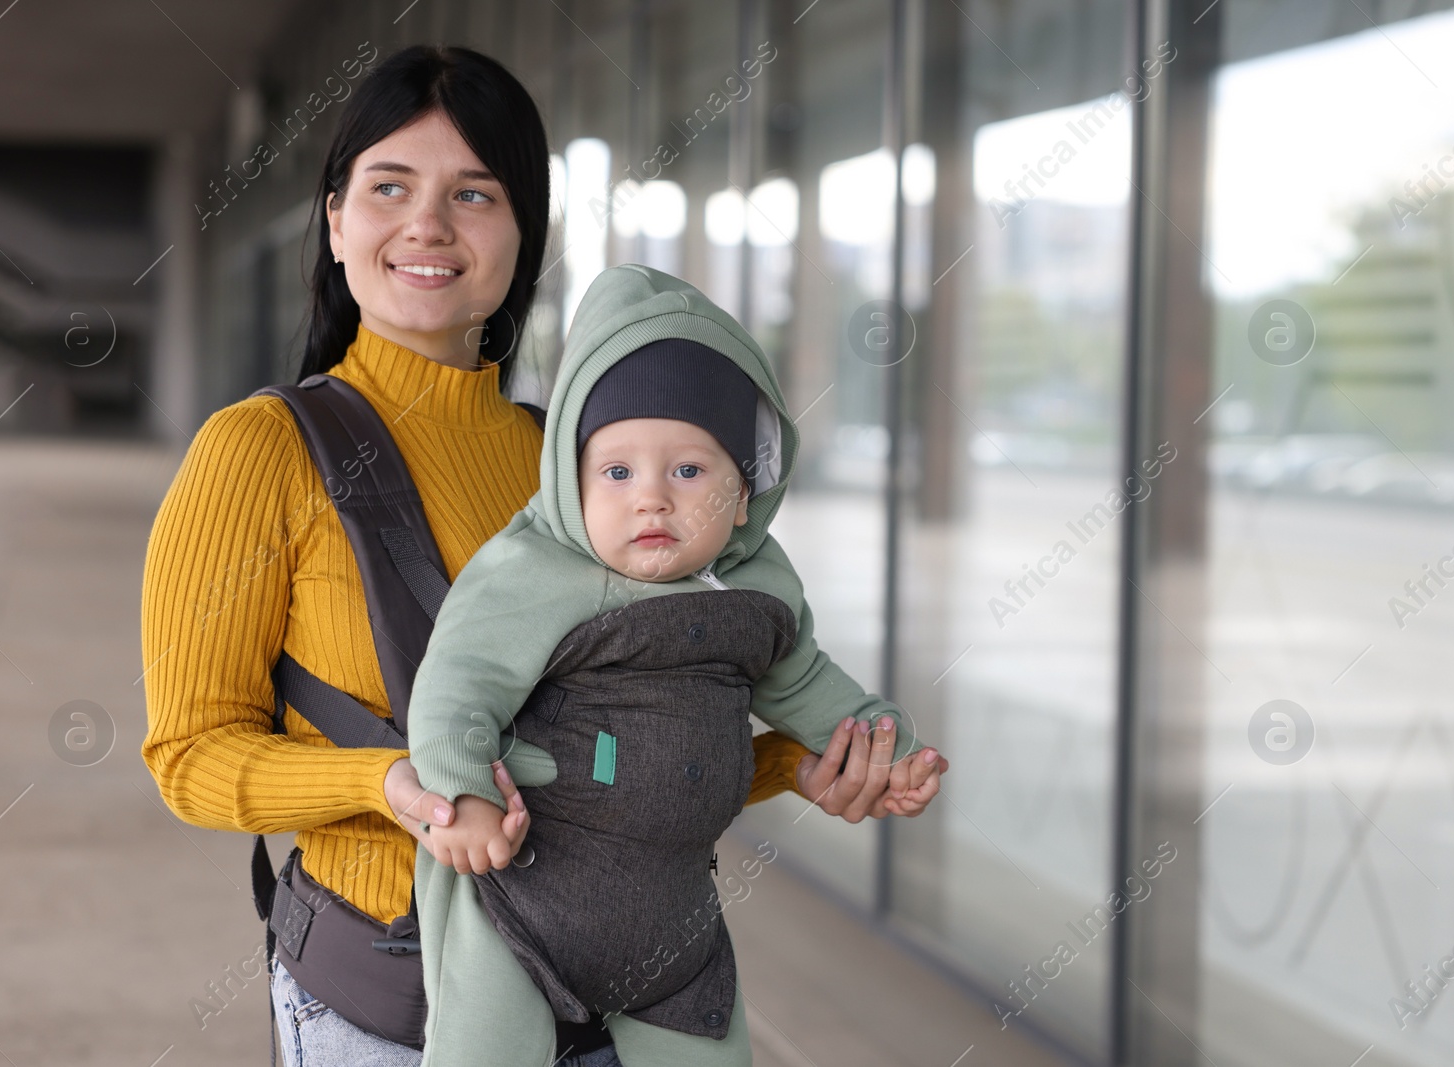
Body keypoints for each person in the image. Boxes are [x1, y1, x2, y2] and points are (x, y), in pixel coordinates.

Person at [140, 44, 940, 1066]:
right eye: (391, 186)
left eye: (474, 193)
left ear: (522, 237)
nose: (429, 223)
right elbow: (191, 755)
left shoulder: (579, 467)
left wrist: (800, 761)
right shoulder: (258, 451)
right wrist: (400, 781)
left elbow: (613, 748)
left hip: (617, 1006)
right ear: (336, 218)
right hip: (391, 1006)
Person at [408, 264, 947, 1067]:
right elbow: (457, 684)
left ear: (744, 487)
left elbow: (803, 682)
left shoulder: (761, 587)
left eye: (688, 470)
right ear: (572, 479)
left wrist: (883, 743)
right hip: (522, 904)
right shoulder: (532, 570)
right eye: (617, 471)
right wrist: (461, 795)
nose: (650, 498)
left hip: (676, 932)